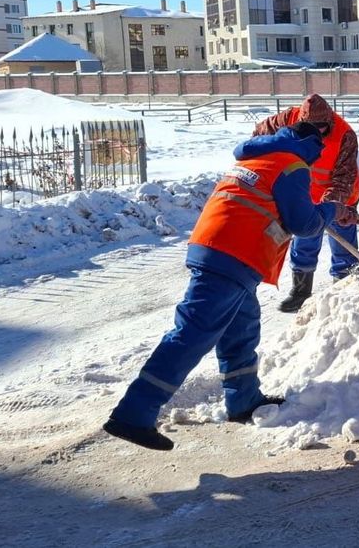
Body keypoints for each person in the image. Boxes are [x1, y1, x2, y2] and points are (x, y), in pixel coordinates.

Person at [103, 122, 336, 451]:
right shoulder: (292, 164)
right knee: (192, 334)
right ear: (312, 144)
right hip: (233, 254)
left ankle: (243, 400)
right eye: (320, 150)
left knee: (241, 327)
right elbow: (305, 223)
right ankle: (134, 414)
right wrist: (331, 209)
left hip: (218, 249)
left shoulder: (257, 158)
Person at [252, 94, 359, 312]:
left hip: (341, 196)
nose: (317, 131)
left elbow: (342, 180)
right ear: (300, 120)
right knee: (304, 240)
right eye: (310, 126)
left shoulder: (345, 135)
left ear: (328, 120)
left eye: (321, 127)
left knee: (343, 245)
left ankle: (343, 290)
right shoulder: (288, 118)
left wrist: (330, 209)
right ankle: (300, 292)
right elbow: (259, 136)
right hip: (306, 195)